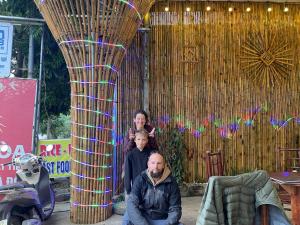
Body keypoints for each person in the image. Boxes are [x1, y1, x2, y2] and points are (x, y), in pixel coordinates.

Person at [126, 152, 182, 225]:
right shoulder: (140, 179)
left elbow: (175, 209)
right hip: (143, 217)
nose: (156, 166)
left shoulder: (172, 182)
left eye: (159, 163)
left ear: (164, 166)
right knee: (127, 218)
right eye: (153, 163)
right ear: (148, 164)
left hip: (163, 219)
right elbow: (131, 204)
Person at [122, 129, 154, 225]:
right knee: (132, 209)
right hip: (135, 187)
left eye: (143, 139)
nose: (141, 142)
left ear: (147, 140)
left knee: (146, 208)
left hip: (148, 186)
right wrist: (128, 189)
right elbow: (127, 173)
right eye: (139, 139)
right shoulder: (130, 154)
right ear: (135, 140)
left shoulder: (150, 153)